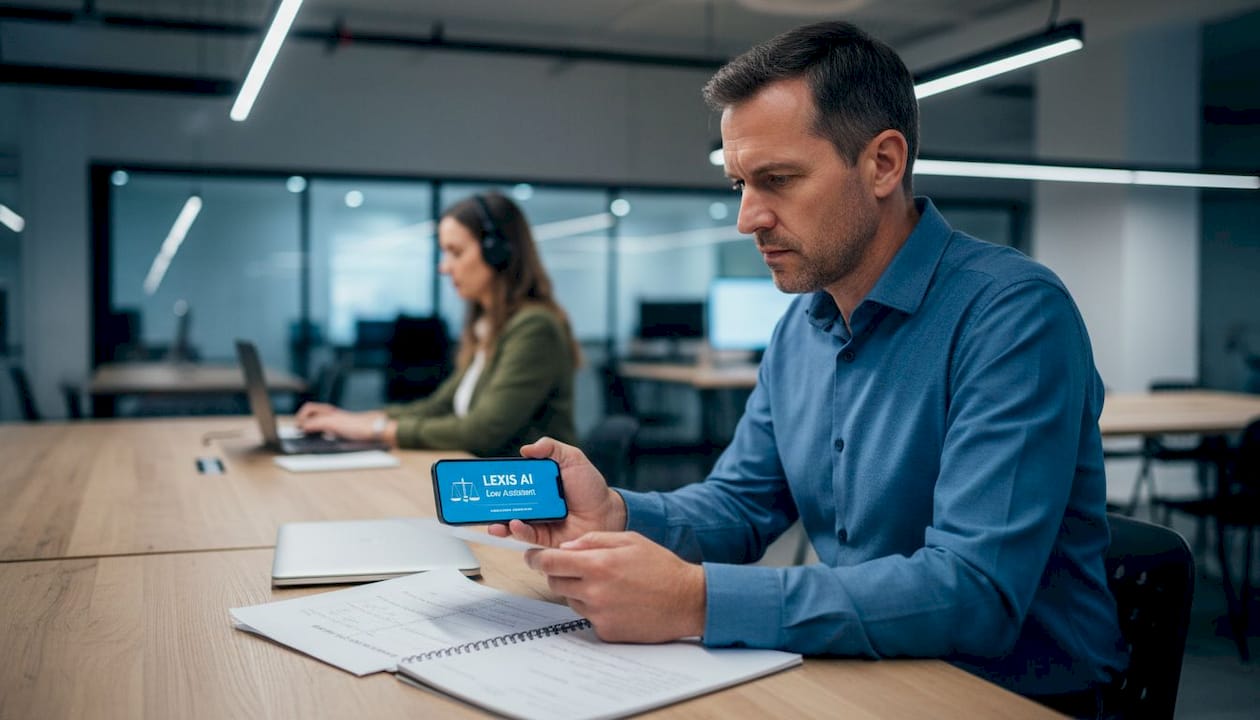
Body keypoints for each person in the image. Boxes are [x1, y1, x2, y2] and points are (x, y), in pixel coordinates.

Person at [491, 21, 1127, 718]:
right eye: (739, 183)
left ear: (883, 164)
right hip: (868, 673)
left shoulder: (1012, 316)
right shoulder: (803, 327)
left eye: (777, 180)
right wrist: (615, 511)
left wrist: (695, 600)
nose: (746, 218)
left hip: (1008, 697)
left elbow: (974, 592)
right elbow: (741, 505)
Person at [297, 192, 580, 457]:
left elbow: (480, 433)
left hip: (530, 497)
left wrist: (375, 430)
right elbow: (439, 407)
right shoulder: (491, 327)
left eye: (455, 252)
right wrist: (352, 419)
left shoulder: (534, 327)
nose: (444, 267)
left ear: (497, 254)